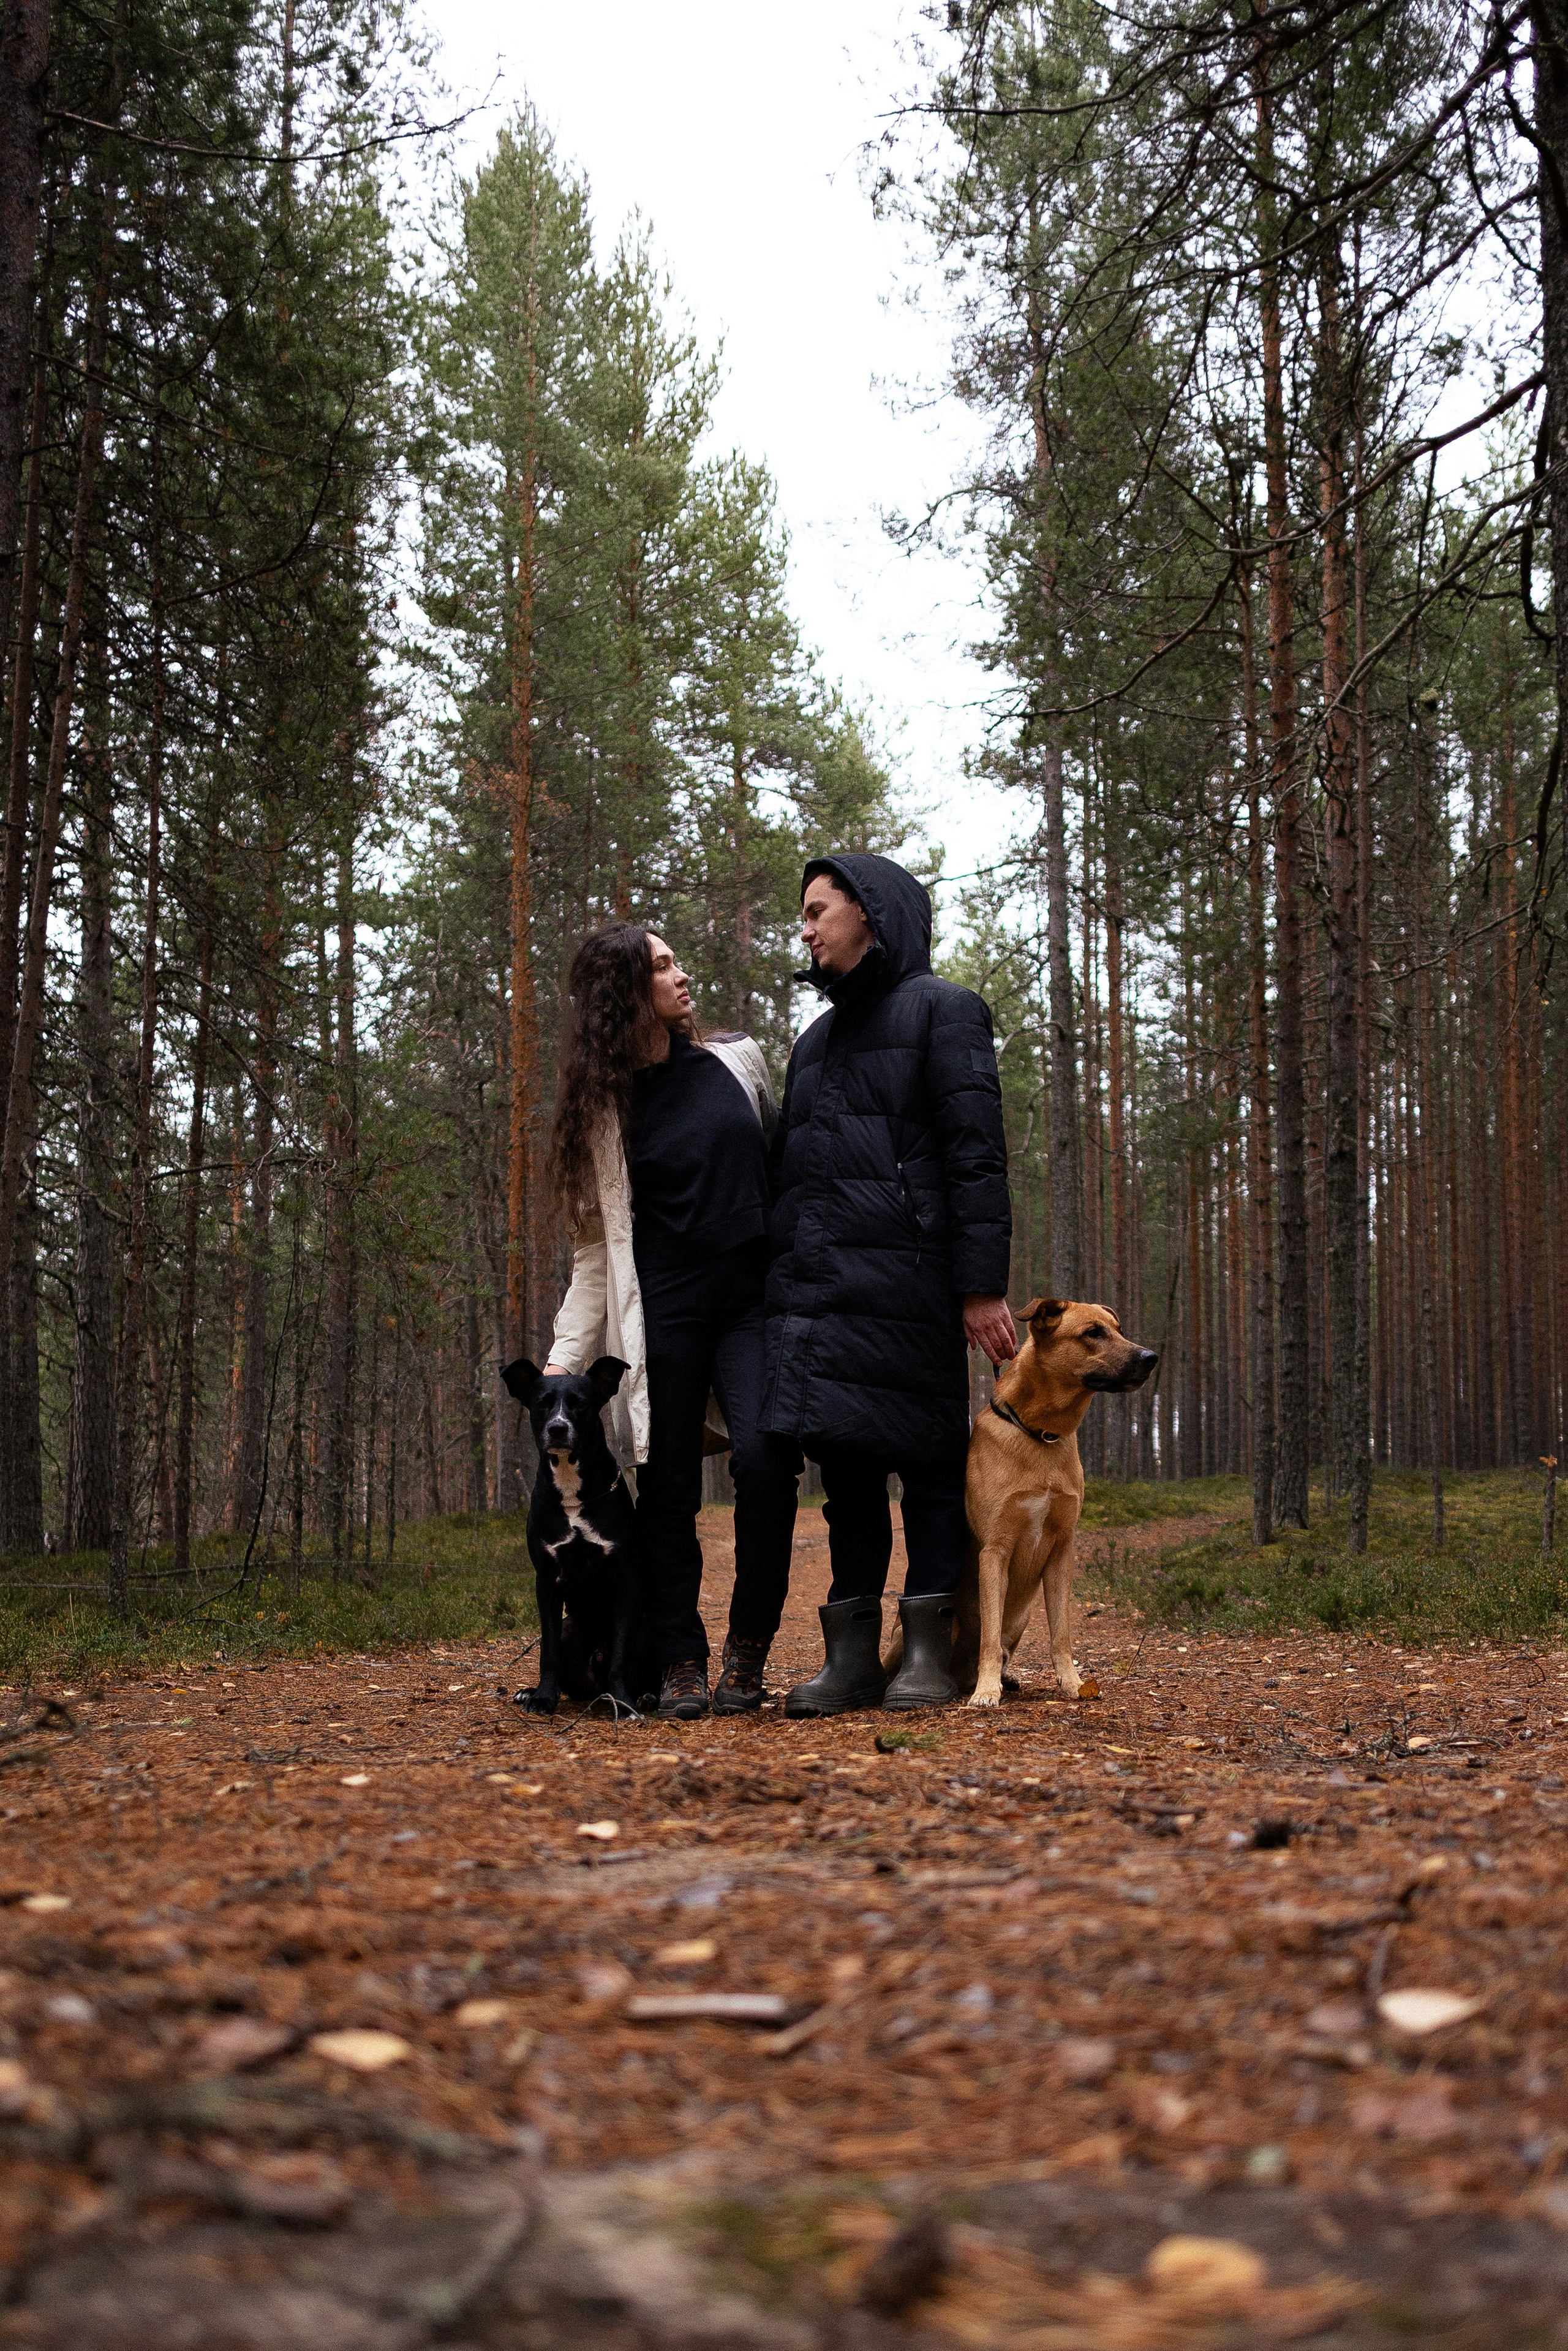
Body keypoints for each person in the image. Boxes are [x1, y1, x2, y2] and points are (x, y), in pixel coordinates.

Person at [760, 855, 1015, 1713]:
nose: (805, 929)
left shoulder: (945, 1010)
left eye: (817, 911)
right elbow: (794, 1183)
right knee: (851, 1483)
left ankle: (929, 1658)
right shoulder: (814, 1043)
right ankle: (853, 1660)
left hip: (911, 1289)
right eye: (803, 915)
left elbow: (975, 1156)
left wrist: (981, 1287)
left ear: (870, 914)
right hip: (827, 1300)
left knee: (933, 1474)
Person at [543, 923, 799, 1721]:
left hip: (751, 1298)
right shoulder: (603, 1115)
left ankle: (748, 1648)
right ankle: (682, 1658)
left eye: (677, 959)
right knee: (668, 1485)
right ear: (626, 994)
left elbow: (786, 1175)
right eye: (661, 966)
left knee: (765, 1456)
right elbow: (593, 1256)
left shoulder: (738, 1064)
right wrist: (562, 1359)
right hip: (664, 1312)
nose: (682, 974)